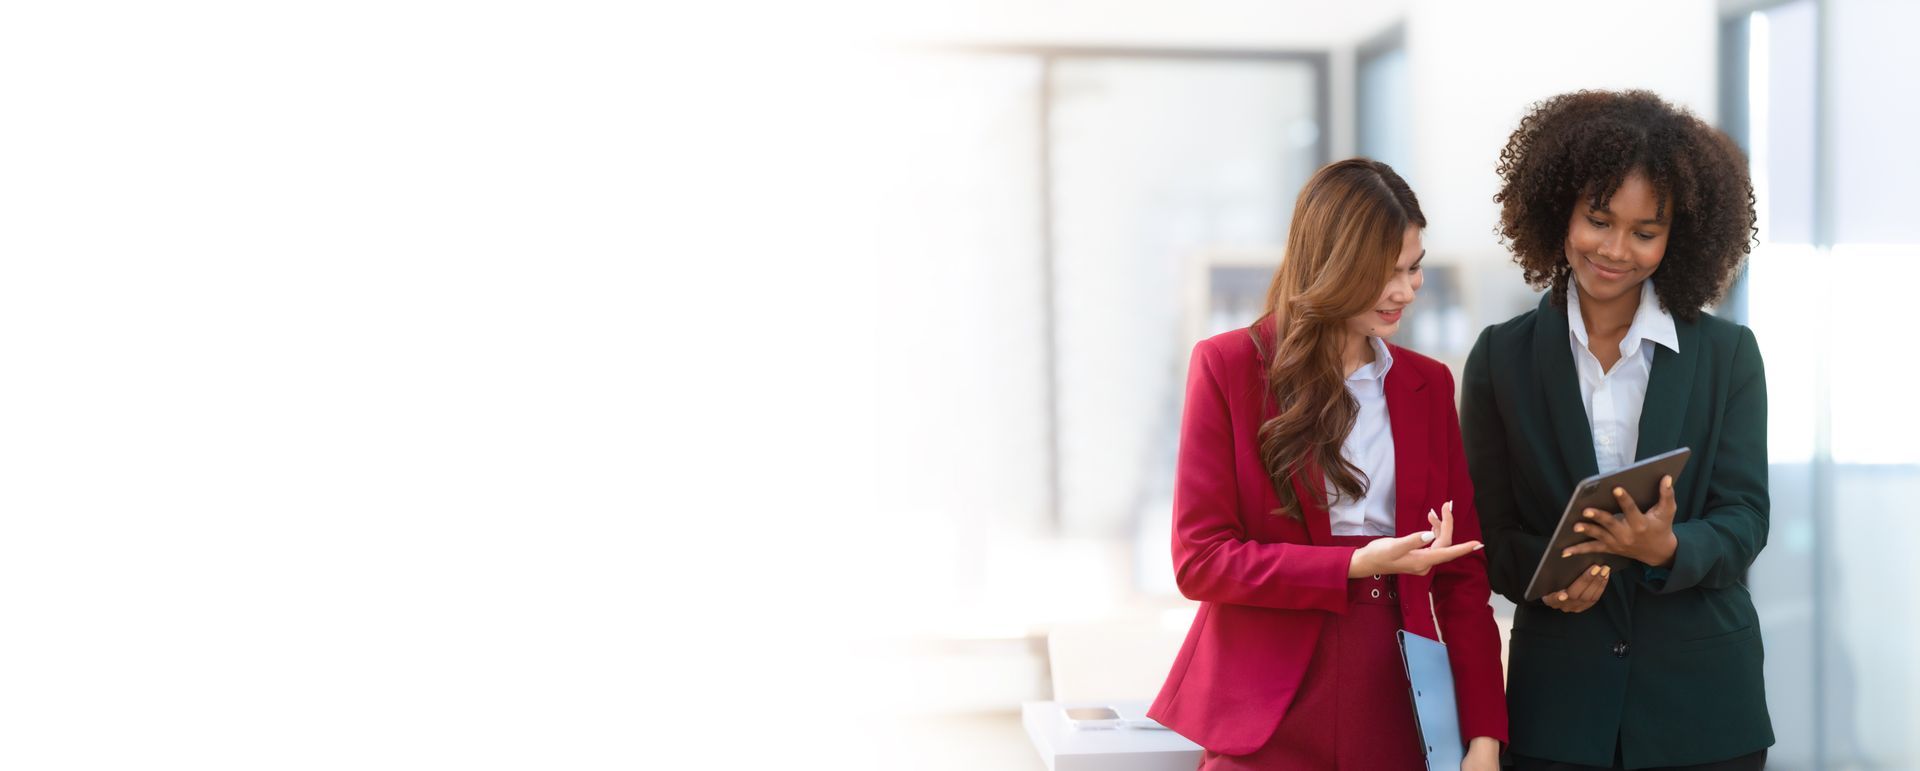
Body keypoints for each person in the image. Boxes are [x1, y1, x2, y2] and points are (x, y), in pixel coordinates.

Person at [1148, 158, 1506, 770]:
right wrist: (1354, 562)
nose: (1405, 290)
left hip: (1397, 692)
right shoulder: (1227, 368)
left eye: (1413, 267)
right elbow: (1200, 560)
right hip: (1265, 703)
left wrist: (1483, 739)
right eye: (1382, 273)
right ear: (1331, 267)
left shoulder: (1428, 385)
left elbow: (1462, 577)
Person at [1464, 89, 1771, 770]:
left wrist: (1668, 546)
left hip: (1704, 712)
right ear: (1559, 212)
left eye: (1645, 231)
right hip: (1559, 714)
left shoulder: (1728, 355)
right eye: (1598, 220)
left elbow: (1746, 517)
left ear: (1678, 236)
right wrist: (1547, 577)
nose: (1615, 250)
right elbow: (1488, 532)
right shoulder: (1500, 358)